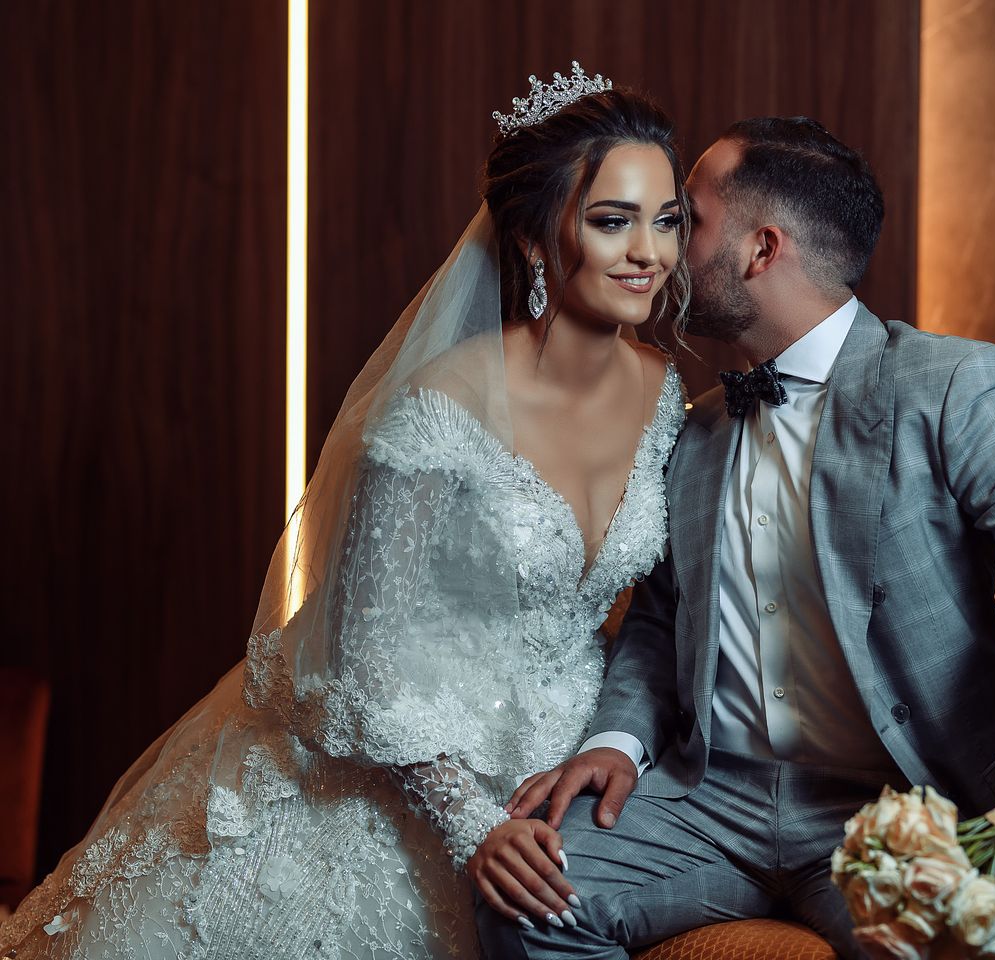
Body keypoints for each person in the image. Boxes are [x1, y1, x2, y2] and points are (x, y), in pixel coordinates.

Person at [0, 65, 691, 960]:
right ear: (532, 238)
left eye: (666, 220)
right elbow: (356, 657)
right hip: (405, 771)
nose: (649, 253)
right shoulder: (436, 410)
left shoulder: (665, 394)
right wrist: (472, 825)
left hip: (566, 763)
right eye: (612, 221)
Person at [482, 117, 995, 959]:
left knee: (941, 944)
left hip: (893, 802)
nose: (664, 249)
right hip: (706, 801)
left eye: (688, 220)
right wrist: (619, 742)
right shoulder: (694, 426)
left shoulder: (946, 385)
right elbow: (659, 618)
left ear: (761, 250)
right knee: (526, 905)